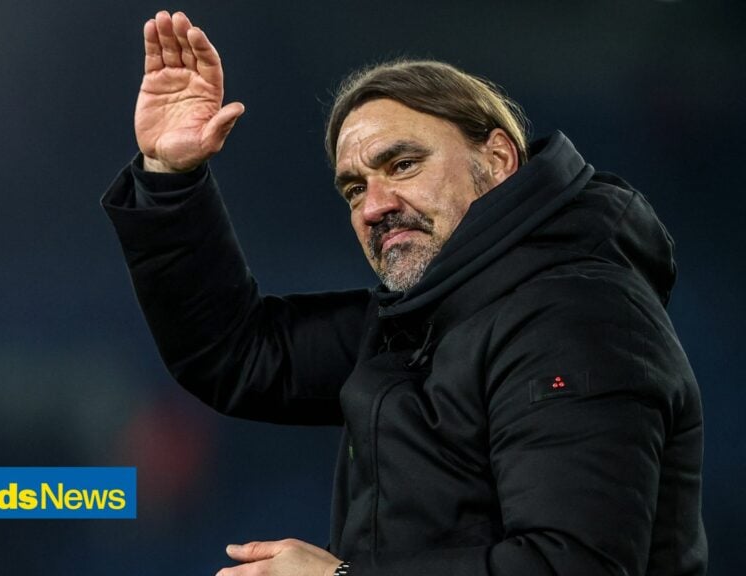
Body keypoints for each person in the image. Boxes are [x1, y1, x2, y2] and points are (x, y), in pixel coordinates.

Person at [102, 10, 707, 576]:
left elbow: (571, 564)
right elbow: (240, 353)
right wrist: (170, 176)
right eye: (353, 188)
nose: (374, 206)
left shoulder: (577, 315)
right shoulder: (424, 322)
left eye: (402, 165)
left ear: (497, 160)